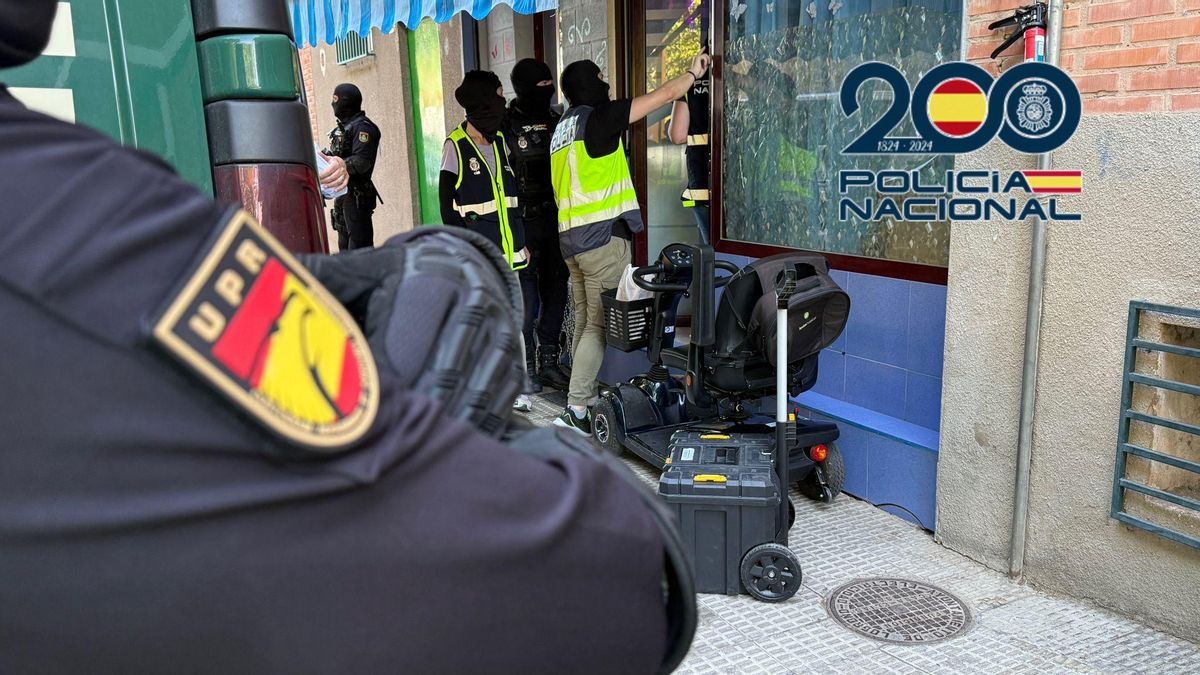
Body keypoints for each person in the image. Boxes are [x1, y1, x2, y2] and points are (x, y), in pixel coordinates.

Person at [0, 4, 692, 671]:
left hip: (541, 247)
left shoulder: (528, 132)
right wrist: (484, 430)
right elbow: (609, 584)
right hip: (560, 257)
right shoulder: (67, 214)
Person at [550, 54, 711, 435]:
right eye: (600, 77)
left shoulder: (564, 127)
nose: (606, 81)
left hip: (572, 241)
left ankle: (581, 399)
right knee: (597, 326)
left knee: (585, 323)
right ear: (589, 83)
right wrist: (693, 72)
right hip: (601, 239)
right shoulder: (599, 118)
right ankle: (577, 408)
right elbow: (663, 95)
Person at [439, 70, 535, 411]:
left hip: (511, 253)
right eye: (497, 95)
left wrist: (521, 242)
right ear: (481, 101)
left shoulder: (500, 143)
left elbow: (511, 199)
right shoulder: (456, 146)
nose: (502, 102)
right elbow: (446, 206)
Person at [504, 58, 570, 393]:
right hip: (523, 223)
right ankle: (525, 368)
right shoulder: (504, 123)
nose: (547, 92)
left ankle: (548, 362)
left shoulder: (558, 118)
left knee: (556, 291)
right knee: (526, 298)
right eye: (539, 86)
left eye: (549, 85)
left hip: (556, 220)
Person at [327, 83, 381, 250]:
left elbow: (361, 161)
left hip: (357, 196)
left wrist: (337, 165)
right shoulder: (344, 128)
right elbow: (335, 155)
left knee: (359, 251)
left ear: (346, 102)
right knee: (344, 251)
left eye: (335, 100)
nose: (333, 104)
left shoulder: (363, 127)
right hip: (343, 195)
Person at [667, 53, 712, 245]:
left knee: (716, 251)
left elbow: (677, 135)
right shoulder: (742, 76)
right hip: (743, 182)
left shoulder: (691, 83)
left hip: (702, 183)